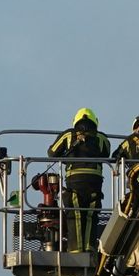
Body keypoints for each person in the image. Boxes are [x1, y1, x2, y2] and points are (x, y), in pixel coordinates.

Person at [48, 108, 111, 252]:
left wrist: (66, 158)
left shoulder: (69, 135)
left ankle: (76, 250)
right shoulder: (102, 138)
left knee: (75, 213)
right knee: (90, 214)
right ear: (95, 122)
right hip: (95, 181)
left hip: (75, 180)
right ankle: (89, 248)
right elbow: (106, 153)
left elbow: (52, 153)